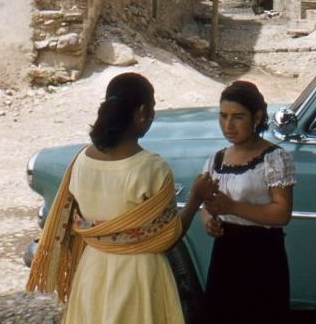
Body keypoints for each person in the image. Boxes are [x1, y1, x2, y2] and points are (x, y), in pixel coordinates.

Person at [27, 72, 217, 324]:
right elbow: (166, 236)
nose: (152, 115)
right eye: (152, 108)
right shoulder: (151, 168)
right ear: (141, 112)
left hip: (92, 271)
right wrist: (195, 199)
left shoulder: (81, 161)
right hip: (138, 278)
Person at [201, 80, 295, 324]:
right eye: (223, 116)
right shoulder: (216, 159)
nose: (228, 125)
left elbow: (281, 213)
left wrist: (232, 207)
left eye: (237, 117)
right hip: (225, 253)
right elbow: (208, 204)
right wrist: (210, 220)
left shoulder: (274, 158)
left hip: (262, 256)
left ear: (256, 117)